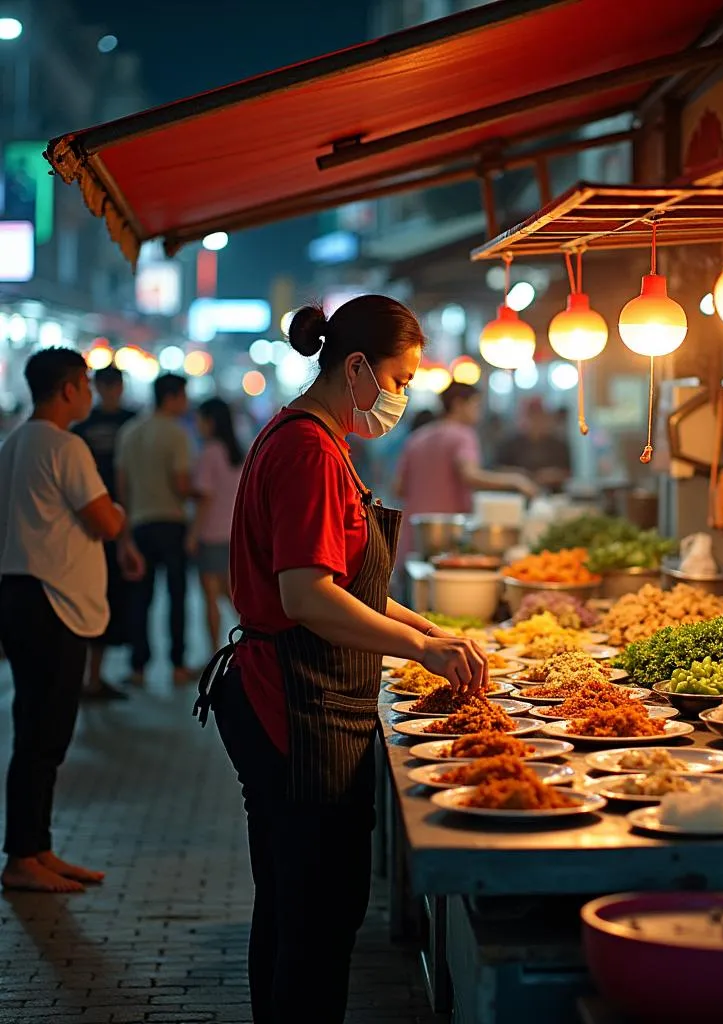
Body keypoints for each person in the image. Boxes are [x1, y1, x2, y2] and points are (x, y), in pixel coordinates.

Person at [192, 295, 487, 1024]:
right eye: (401, 377)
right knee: (315, 920)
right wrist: (421, 647)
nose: (404, 395)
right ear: (357, 367)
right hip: (293, 707)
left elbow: (353, 585)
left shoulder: (315, 439)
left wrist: (433, 633)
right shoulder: (307, 451)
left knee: (296, 911)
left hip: (302, 701)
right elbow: (308, 596)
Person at [0, 349, 143, 893]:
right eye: (84, 383)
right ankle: (22, 858)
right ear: (66, 390)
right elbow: (104, 520)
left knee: (33, 729)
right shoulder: (65, 445)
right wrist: (121, 517)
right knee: (45, 734)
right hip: (53, 603)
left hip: (18, 595)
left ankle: (35, 849)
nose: (88, 392)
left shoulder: (14, 443)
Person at [394, 382, 536, 569]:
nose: (478, 412)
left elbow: (398, 488)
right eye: (475, 405)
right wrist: (516, 481)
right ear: (459, 404)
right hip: (449, 539)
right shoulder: (462, 435)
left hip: (415, 537)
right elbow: (470, 475)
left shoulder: (417, 437)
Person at [116, 373, 194, 686]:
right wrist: (200, 495)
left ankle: (138, 667)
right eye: (183, 397)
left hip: (139, 523)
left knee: (141, 598)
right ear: (172, 396)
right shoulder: (177, 434)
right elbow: (181, 483)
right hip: (172, 522)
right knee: (176, 597)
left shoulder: (131, 430)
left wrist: (128, 520)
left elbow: (121, 483)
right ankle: (177, 665)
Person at [73, 365, 136, 700]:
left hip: (123, 518)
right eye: (105, 385)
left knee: (118, 599)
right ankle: (90, 678)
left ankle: (97, 676)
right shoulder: (83, 428)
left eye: (115, 385)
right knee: (95, 596)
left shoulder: (131, 421)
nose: (111, 390)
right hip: (93, 521)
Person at [188, 398, 244, 657]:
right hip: (233, 533)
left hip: (211, 534)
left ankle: (213, 653)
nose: (197, 425)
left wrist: (193, 534)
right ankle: (250, 645)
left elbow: (204, 498)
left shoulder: (209, 452)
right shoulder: (239, 452)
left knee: (210, 598)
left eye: (199, 419)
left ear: (210, 421)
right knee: (233, 597)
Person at [495, 396, 573, 491]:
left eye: (540, 416)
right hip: (517, 495)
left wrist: (552, 475)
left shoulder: (559, 444)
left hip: (553, 496)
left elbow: (568, 473)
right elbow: (497, 469)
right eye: (533, 416)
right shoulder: (510, 443)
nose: (537, 421)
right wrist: (517, 475)